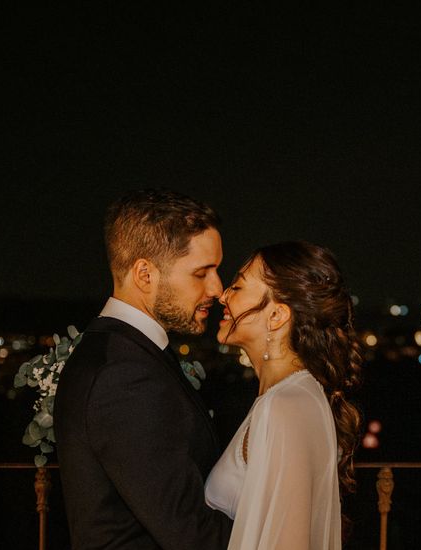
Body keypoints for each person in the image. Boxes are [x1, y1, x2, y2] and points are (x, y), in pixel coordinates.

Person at [56, 189, 233, 549]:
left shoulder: (124, 354)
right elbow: (187, 530)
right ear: (145, 274)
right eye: (202, 272)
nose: (218, 288)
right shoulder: (124, 375)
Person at [205, 241, 363, 550]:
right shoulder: (299, 395)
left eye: (237, 286)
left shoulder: (281, 406)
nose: (223, 295)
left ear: (276, 316)